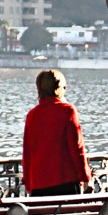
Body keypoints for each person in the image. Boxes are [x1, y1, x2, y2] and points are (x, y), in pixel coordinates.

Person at [22, 69, 90, 197]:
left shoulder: (32, 115)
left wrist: (28, 183)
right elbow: (77, 148)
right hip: (66, 181)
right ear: (59, 88)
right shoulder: (68, 111)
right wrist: (86, 177)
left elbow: (28, 152)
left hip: (39, 183)